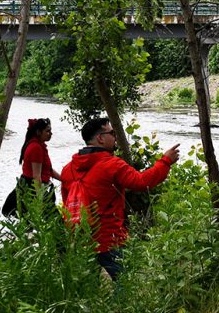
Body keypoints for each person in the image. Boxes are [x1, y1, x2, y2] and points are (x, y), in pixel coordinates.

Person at [60, 117, 180, 280]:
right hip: (110, 239)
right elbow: (142, 182)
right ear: (100, 138)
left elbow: (68, 204)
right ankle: (118, 306)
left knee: (87, 293)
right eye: (112, 132)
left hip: (81, 240)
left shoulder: (68, 170)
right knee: (125, 285)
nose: (115, 136)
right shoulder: (112, 164)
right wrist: (165, 162)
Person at [15, 118, 61, 219]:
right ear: (38, 132)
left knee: (30, 222)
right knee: (55, 222)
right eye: (47, 131)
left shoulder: (37, 145)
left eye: (51, 130)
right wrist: (39, 199)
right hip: (33, 189)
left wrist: (64, 179)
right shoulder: (36, 148)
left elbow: (48, 170)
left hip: (30, 186)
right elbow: (36, 176)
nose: (51, 133)